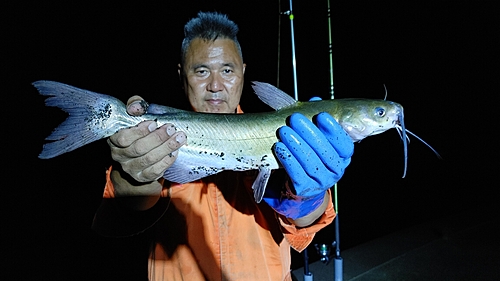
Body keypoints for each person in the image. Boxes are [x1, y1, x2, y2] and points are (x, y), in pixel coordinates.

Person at [92, 11, 354, 281]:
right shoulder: (155, 138)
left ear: (242, 72)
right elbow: (116, 220)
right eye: (201, 71)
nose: (215, 86)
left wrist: (306, 198)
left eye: (227, 70)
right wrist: (136, 178)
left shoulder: (286, 135)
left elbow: (305, 225)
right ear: (182, 75)